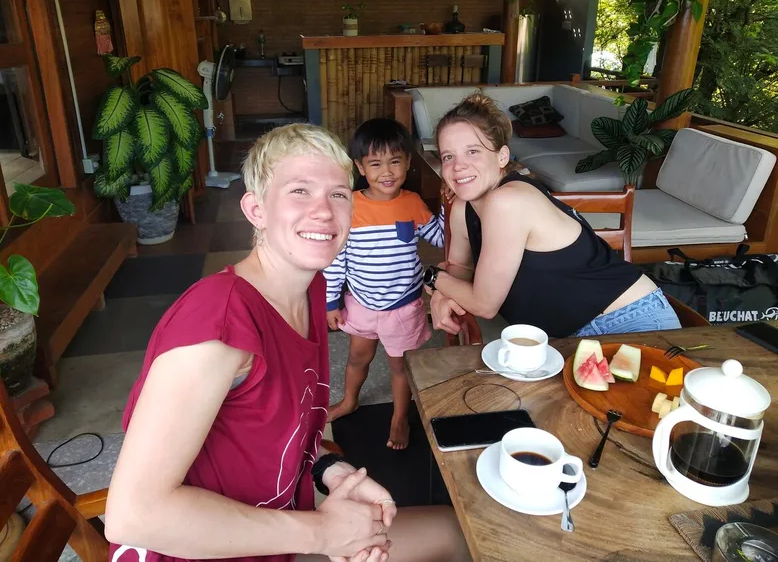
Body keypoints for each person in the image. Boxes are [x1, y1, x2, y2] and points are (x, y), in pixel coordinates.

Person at [104, 123, 469, 562]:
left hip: (278, 533)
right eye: (300, 191)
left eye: (338, 194)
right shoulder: (218, 322)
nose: (324, 211)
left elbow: (280, 432)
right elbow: (134, 516)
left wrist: (328, 468)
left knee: (455, 532)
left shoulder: (311, 289)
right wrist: (321, 534)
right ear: (256, 209)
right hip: (199, 551)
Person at [424, 93, 681, 339]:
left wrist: (434, 278)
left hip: (627, 319)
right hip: (562, 337)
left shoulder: (508, 201)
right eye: (448, 156)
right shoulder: (463, 207)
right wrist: (440, 294)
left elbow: (483, 304)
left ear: (502, 156)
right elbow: (460, 268)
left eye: (473, 151)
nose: (458, 166)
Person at [325, 119, 443, 450]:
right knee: (357, 357)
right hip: (361, 303)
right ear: (360, 167)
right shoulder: (349, 207)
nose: (387, 171)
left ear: (408, 162)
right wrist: (331, 301)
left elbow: (439, 238)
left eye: (395, 161)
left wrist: (452, 207)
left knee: (400, 366)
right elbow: (336, 260)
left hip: (403, 306)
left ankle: (399, 417)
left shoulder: (412, 202)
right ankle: (350, 401)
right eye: (375, 164)